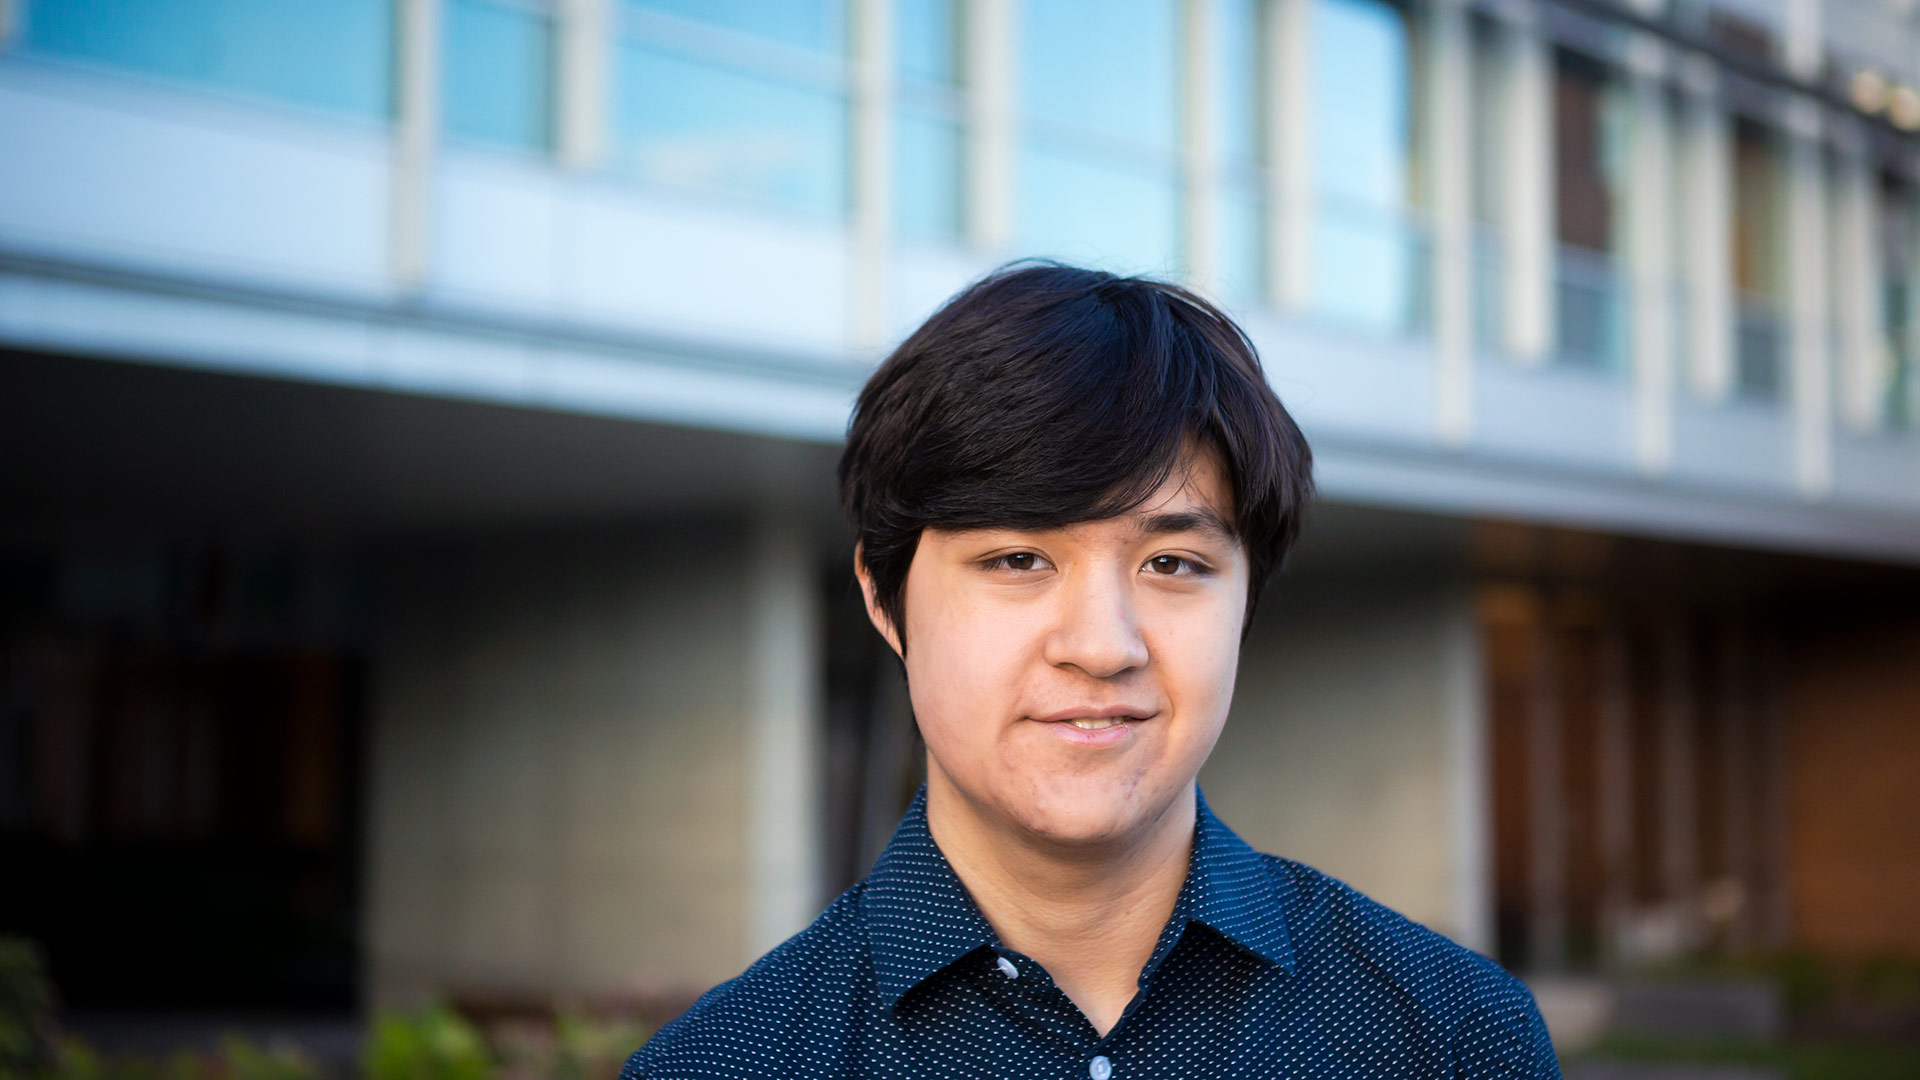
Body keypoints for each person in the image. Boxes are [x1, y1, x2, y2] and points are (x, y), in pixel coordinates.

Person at [622, 263, 1559, 1078]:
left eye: (1173, 565)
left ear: (1248, 602)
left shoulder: (1452, 1038)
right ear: (884, 596)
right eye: (1019, 560)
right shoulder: (730, 1062)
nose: (1104, 645)